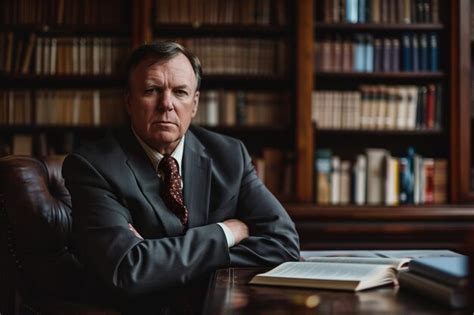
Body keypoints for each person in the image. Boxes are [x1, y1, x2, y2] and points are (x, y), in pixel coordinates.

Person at [62, 41, 300, 309]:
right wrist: (226, 233)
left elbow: (283, 244)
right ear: (128, 100)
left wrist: (160, 258)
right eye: (152, 91)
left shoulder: (229, 155)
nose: (166, 104)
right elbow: (128, 269)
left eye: (180, 92)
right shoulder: (92, 166)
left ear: (195, 103)